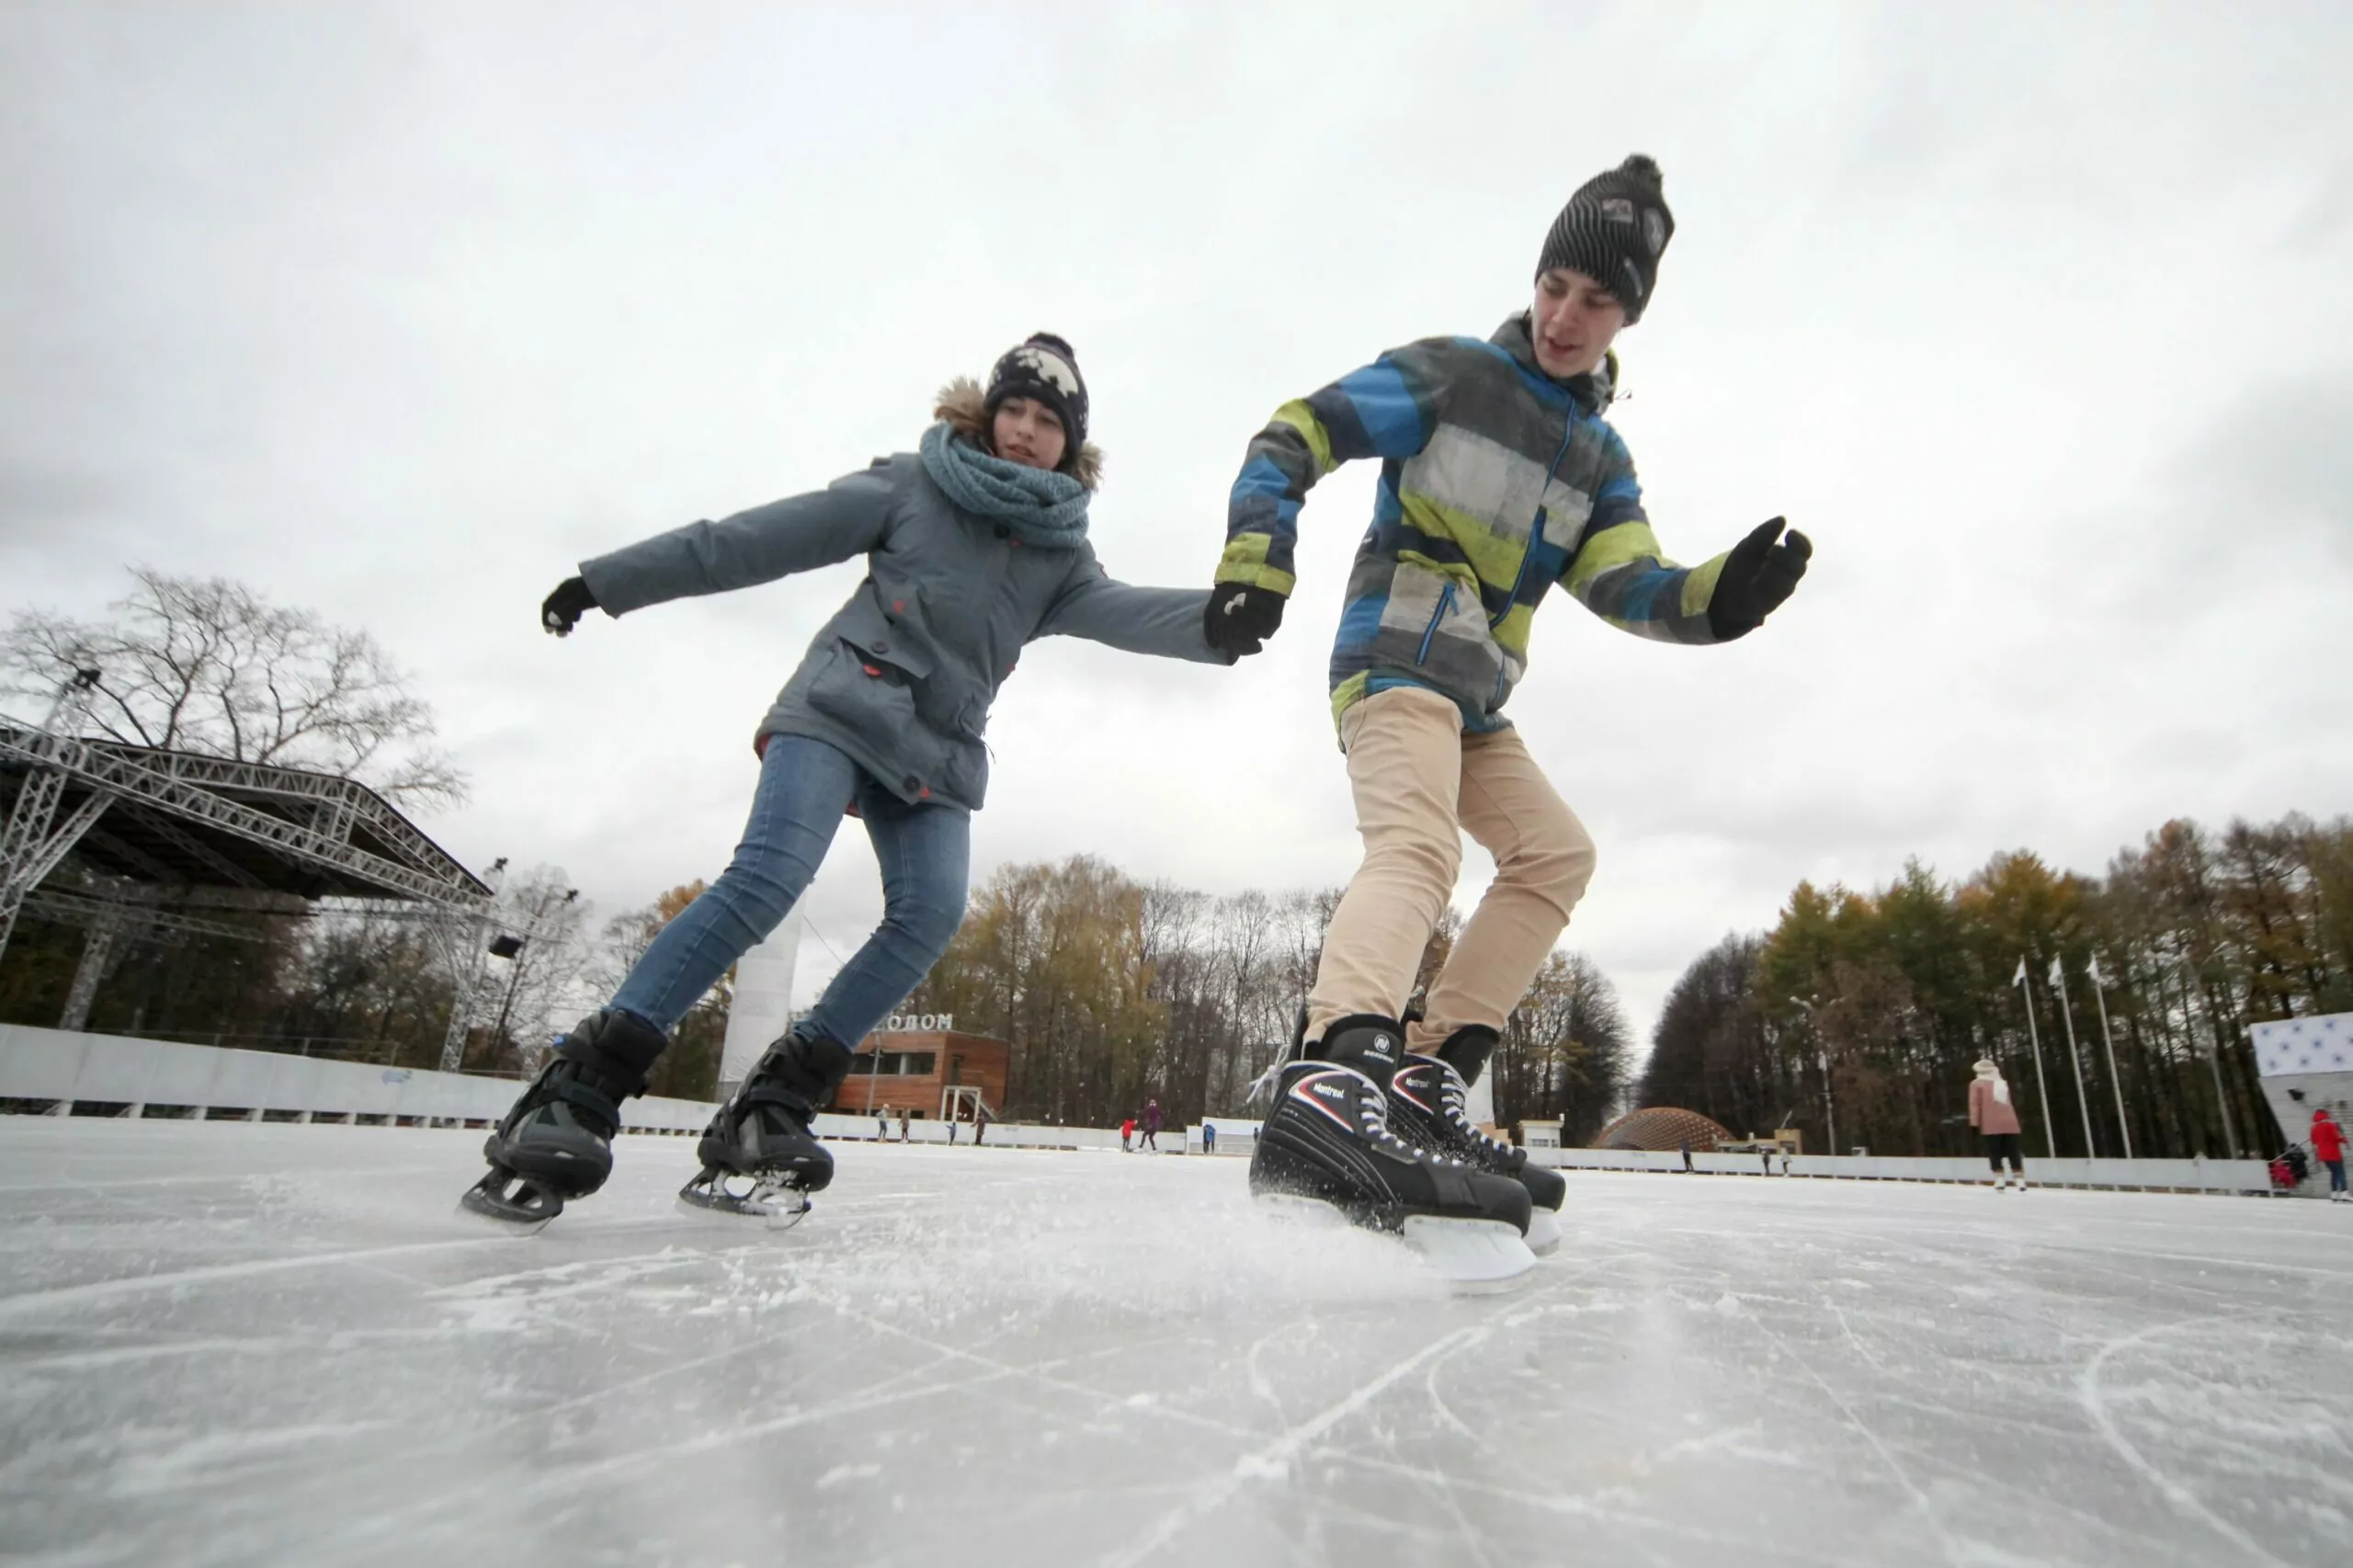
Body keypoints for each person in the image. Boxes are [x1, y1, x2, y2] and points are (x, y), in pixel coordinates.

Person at [461, 335, 1241, 1226]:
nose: (1025, 431)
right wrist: (607, 581)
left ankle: (771, 1107)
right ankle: (578, 1092)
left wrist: (1225, 616)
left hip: (937, 753)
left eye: (1047, 421)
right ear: (987, 415)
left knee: (930, 911)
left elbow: (1126, 612)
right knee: (769, 877)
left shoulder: (1058, 554)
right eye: (1014, 411)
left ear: (1072, 443)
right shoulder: (914, 484)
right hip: (838, 708)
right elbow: (756, 540)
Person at [1211, 155, 1810, 1269]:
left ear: (1627, 312)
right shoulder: (1451, 377)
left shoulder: (1597, 455)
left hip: (1476, 694)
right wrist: (1258, 550)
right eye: (1554, 285)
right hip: (1391, 659)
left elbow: (1628, 579)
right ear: (1534, 277)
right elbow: (1295, 431)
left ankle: (1423, 1078)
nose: (1564, 316)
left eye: (1596, 299)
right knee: (1419, 845)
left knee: (1554, 853)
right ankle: (1334, 1083)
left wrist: (1714, 600)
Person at [1969, 1058, 2027, 1190]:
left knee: (1994, 1151)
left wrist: (1974, 1122)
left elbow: (1975, 1104)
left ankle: (2000, 1179)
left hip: (1990, 1122)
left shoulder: (1976, 1084)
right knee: (2013, 1150)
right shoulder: (2001, 1082)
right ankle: (2019, 1180)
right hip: (2010, 1122)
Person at [2313, 1107, 2347, 1202]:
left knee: (2334, 1173)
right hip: (2334, 1153)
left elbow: (2314, 1141)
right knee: (2340, 1173)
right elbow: (2337, 1136)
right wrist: (2344, 1139)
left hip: (2323, 1155)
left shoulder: (2314, 1127)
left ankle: (2334, 1194)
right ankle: (2344, 1193)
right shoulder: (2330, 1125)